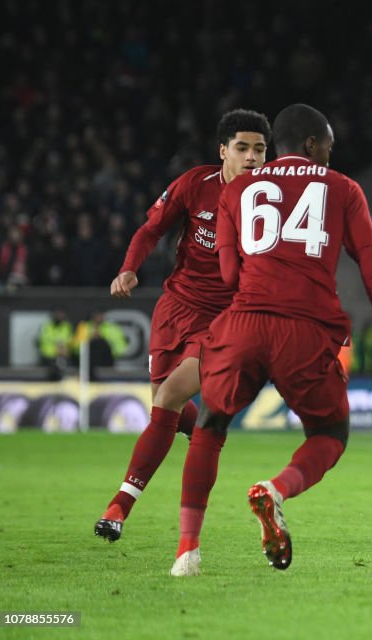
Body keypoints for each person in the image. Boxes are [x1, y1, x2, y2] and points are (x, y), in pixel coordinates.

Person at [171, 103, 372, 577]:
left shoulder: (236, 188)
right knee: (329, 433)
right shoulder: (343, 188)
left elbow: (227, 271)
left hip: (244, 323)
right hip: (304, 329)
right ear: (311, 144)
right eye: (329, 145)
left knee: (211, 426)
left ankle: (186, 552)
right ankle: (276, 489)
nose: (331, 153)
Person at [94, 109, 272, 543]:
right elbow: (151, 230)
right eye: (243, 148)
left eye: (261, 149)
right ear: (223, 151)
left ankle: (120, 505)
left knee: (170, 396)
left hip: (227, 318)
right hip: (176, 308)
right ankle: (208, 428)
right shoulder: (196, 184)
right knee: (166, 405)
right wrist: (129, 268)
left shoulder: (274, 203)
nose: (252, 158)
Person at [71, 310, 129, 380]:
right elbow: (75, 347)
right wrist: (90, 338)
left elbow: (121, 349)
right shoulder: (84, 327)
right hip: (88, 362)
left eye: (100, 316)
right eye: (96, 316)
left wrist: (103, 338)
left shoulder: (111, 328)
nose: (98, 318)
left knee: (101, 344)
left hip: (106, 360)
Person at [37, 309, 72, 381]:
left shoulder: (67, 326)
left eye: (61, 314)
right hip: (49, 355)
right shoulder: (47, 326)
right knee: (53, 365)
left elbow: (69, 340)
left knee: (63, 362)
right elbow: (44, 340)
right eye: (58, 314)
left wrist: (63, 348)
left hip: (62, 354)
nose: (60, 316)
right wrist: (56, 348)